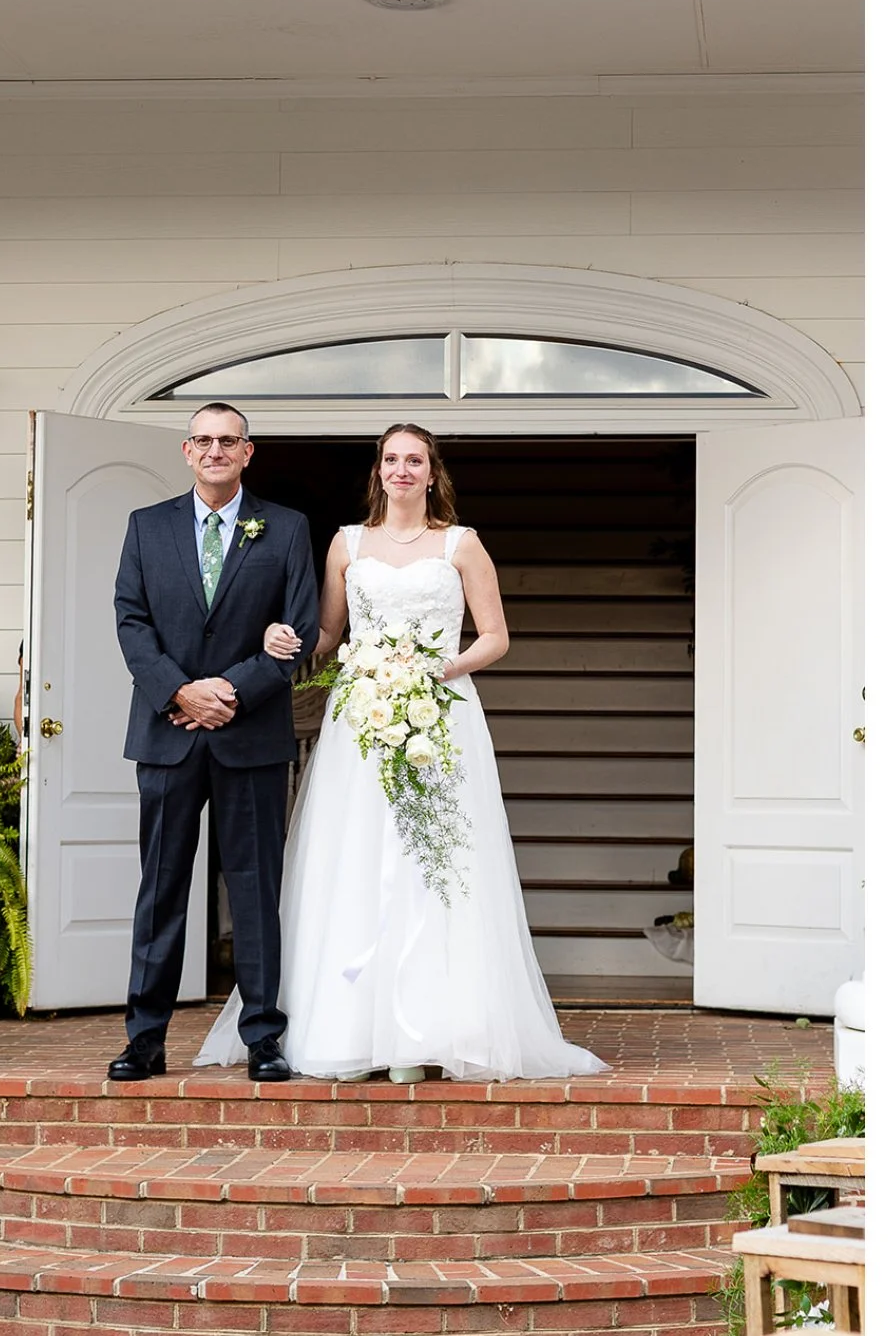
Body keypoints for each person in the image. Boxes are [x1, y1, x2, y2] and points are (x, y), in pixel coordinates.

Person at [195, 423, 607, 1083]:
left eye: (414, 459)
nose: (401, 470)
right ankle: (351, 1027)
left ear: (431, 470)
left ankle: (439, 1029)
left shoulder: (461, 545)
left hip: (439, 713)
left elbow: (495, 636)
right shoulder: (345, 543)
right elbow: (327, 633)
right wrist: (279, 637)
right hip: (361, 716)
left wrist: (441, 670)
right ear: (378, 471)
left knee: (435, 858)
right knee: (357, 855)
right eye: (391, 459)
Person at [109, 402, 320, 1083]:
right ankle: (144, 1039)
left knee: (256, 890)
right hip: (168, 733)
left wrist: (227, 690)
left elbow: (300, 632)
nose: (215, 450)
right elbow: (132, 624)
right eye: (203, 440)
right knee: (161, 890)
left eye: (228, 441)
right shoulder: (147, 528)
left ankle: (262, 1037)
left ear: (247, 453)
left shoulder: (285, 529)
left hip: (249, 735)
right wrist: (180, 693)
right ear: (185, 450)